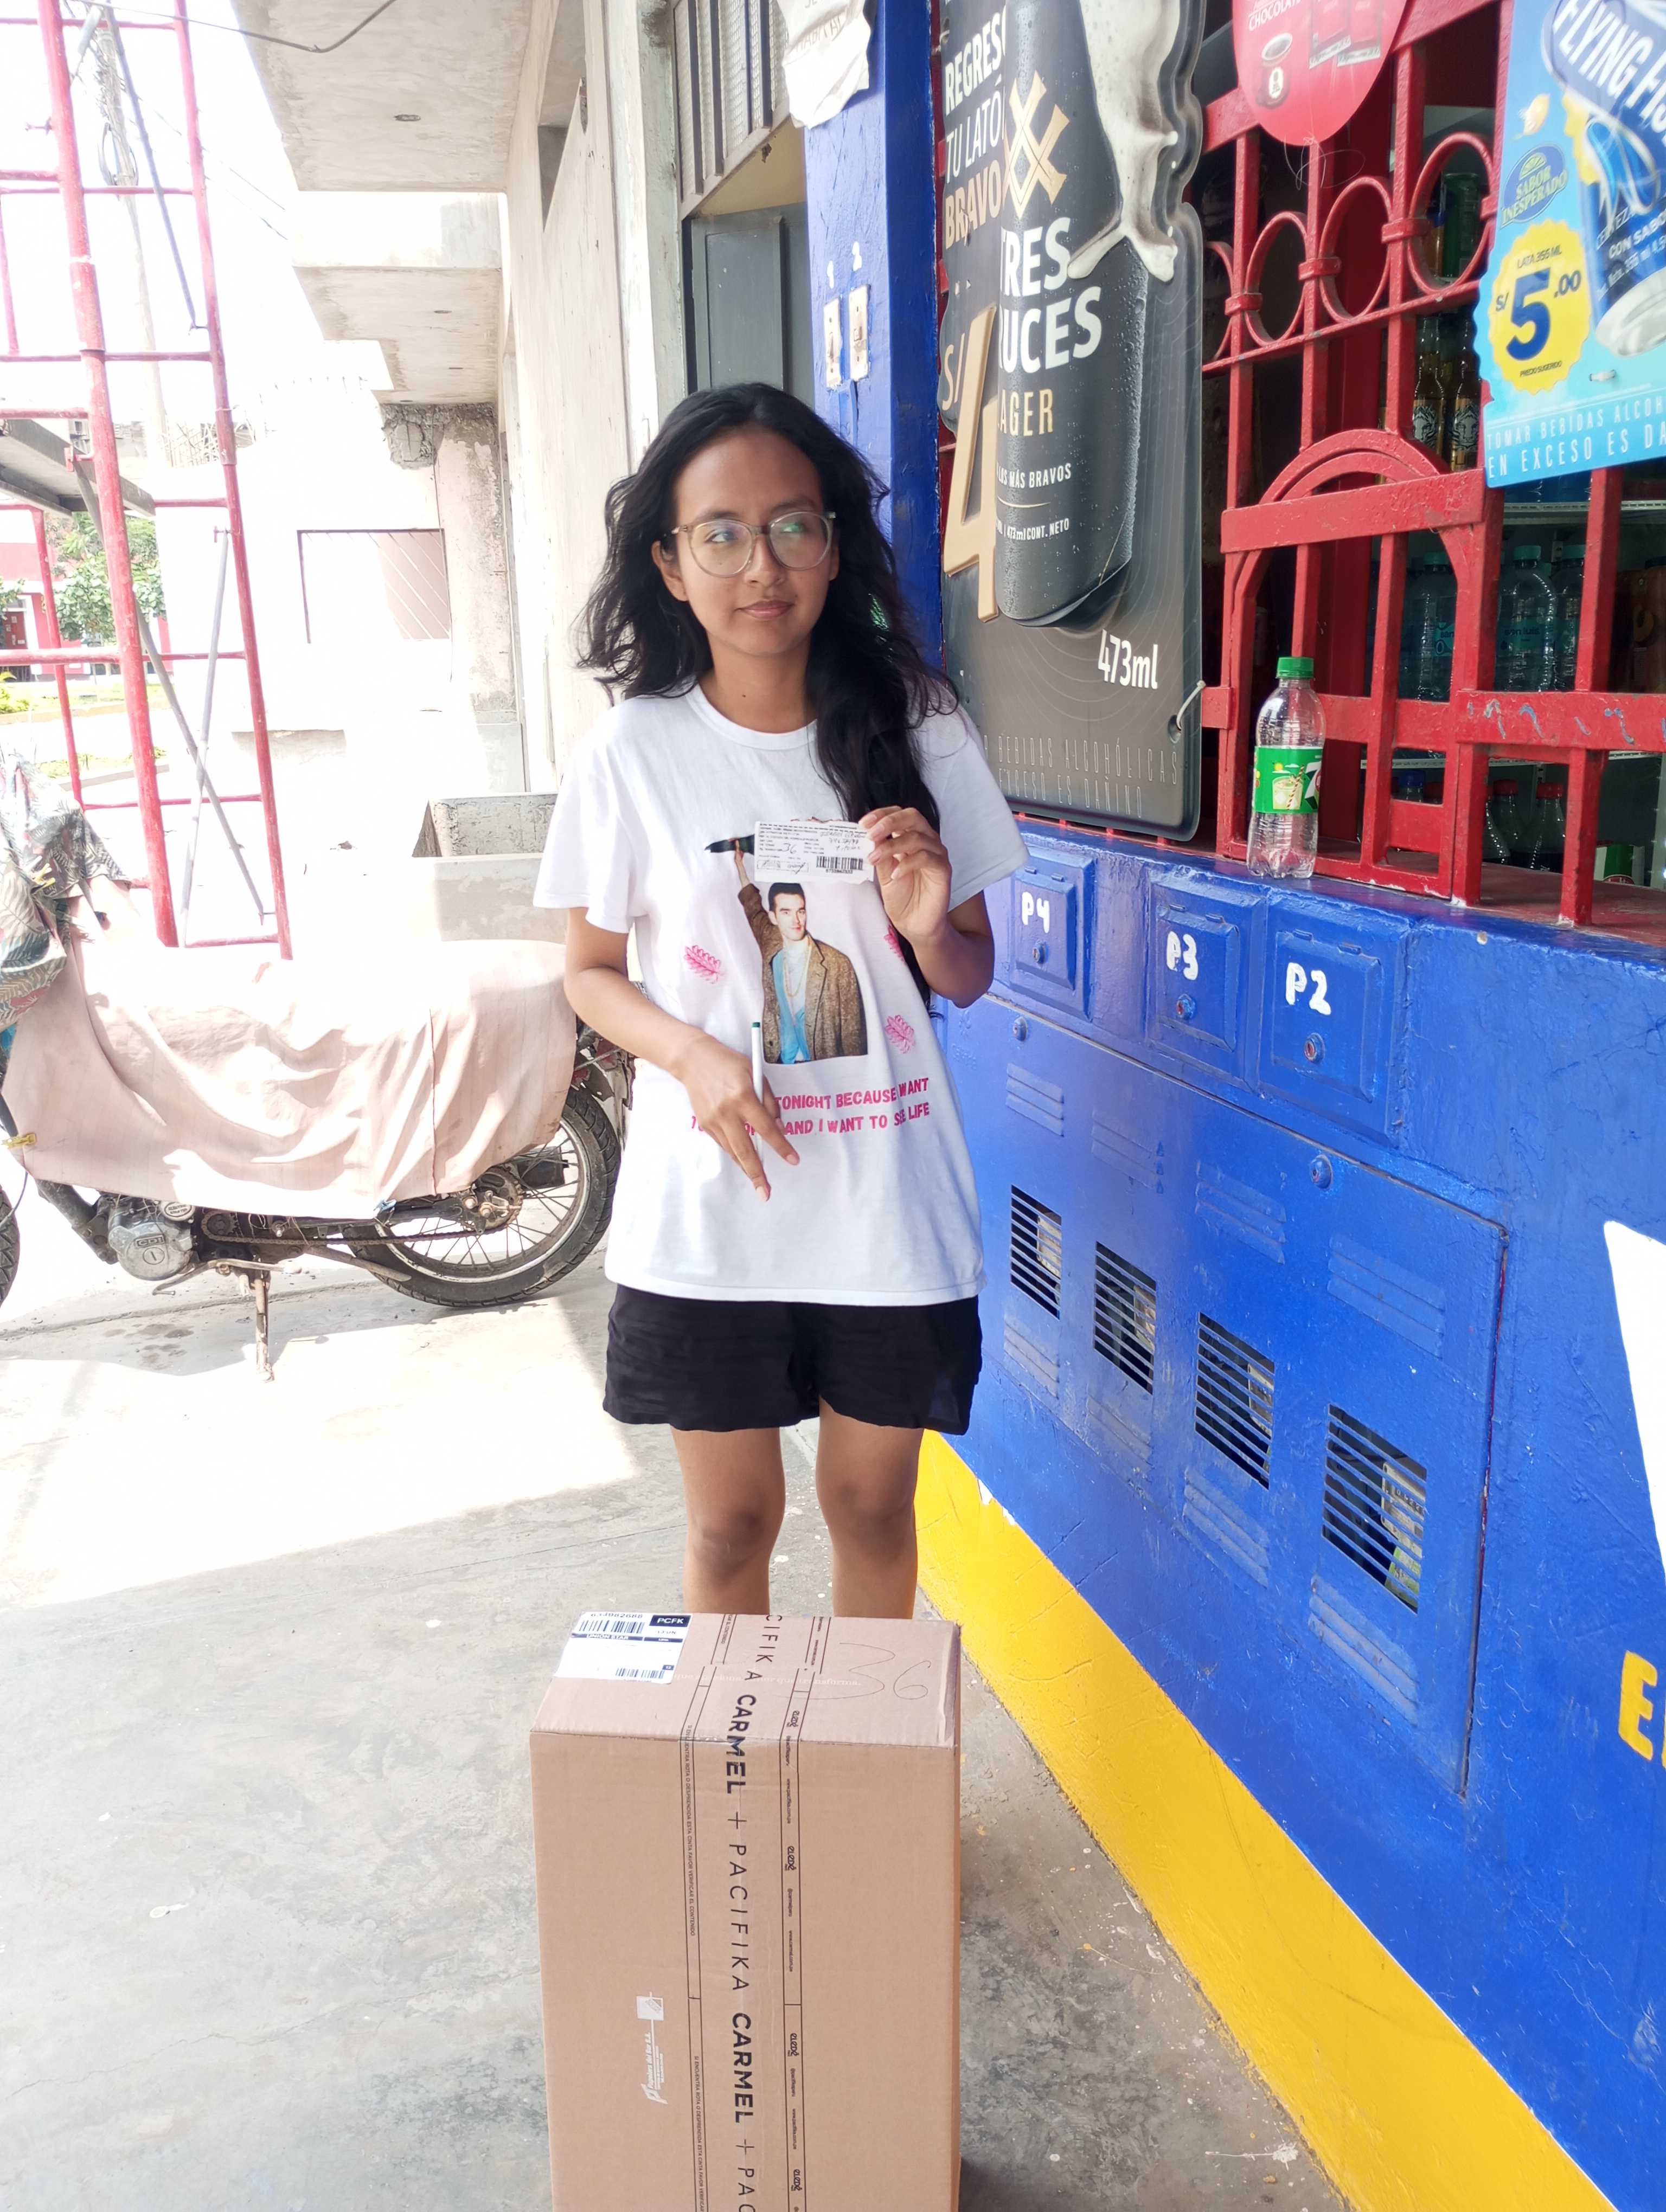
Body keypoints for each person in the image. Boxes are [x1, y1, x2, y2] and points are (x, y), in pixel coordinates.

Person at [536, 382, 1028, 1621]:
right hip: (711, 1207)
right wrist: (693, 1056)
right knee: (729, 1524)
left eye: (792, 527)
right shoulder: (630, 751)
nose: (762, 566)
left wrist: (928, 922)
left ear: (833, 544)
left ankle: (863, 1754)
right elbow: (588, 969)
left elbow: (968, 972)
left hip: (883, 1197)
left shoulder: (920, 724)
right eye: (722, 534)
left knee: (870, 1510)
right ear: (669, 563)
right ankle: (735, 1749)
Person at [736, 861, 868, 1064]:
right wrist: (740, 866)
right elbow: (753, 908)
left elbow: (854, 1034)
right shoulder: (770, 942)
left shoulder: (837, 963)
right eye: (786, 912)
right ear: (773, 917)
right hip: (781, 1066)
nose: (796, 920)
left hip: (826, 1070)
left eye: (801, 911)